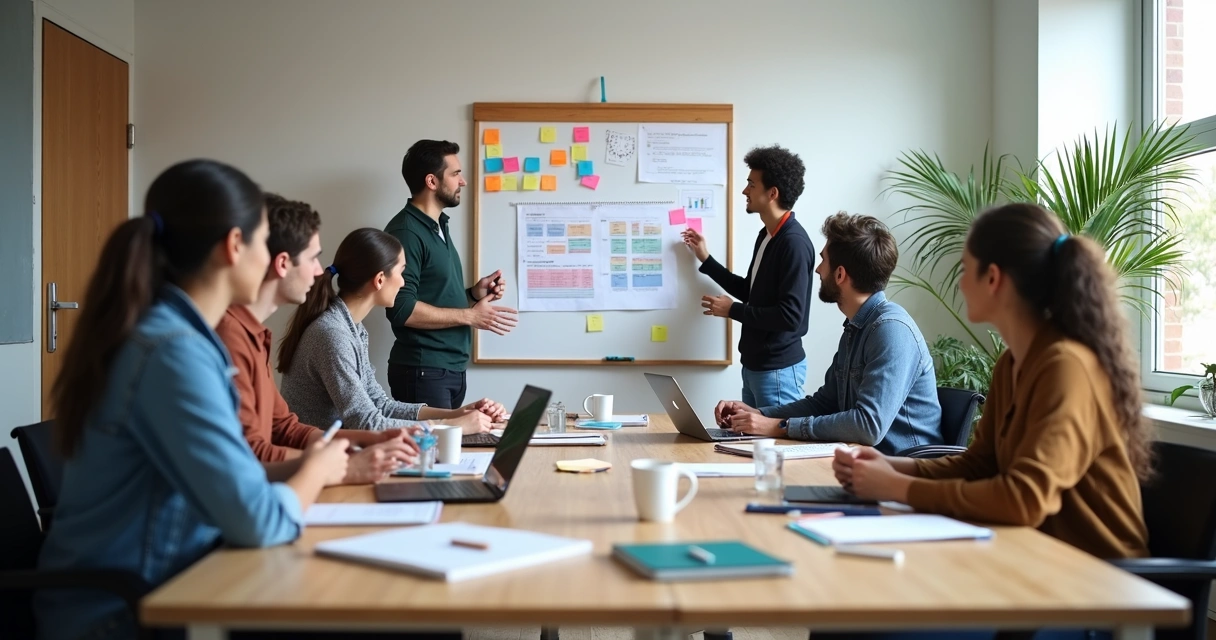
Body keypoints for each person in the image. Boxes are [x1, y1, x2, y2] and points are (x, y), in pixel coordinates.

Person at [36, 160, 349, 640]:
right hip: (128, 612)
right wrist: (317, 469)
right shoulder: (172, 353)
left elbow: (238, 479)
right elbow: (258, 521)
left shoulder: (176, 338)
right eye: (265, 243)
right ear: (234, 246)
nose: (273, 259)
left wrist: (320, 462)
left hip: (174, 581)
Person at [834, 203, 1150, 561]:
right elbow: (979, 465)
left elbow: (1025, 500)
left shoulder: (1066, 366)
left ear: (994, 278)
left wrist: (898, 487)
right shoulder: (1011, 362)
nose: (959, 282)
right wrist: (890, 465)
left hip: (1097, 578)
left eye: (966, 269)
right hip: (1035, 556)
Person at [215, 193, 417, 481]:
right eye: (313, 258)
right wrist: (346, 466)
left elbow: (285, 428)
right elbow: (250, 455)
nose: (320, 271)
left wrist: (373, 439)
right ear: (283, 263)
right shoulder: (230, 337)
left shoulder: (256, 334)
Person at [714, 212, 943, 454]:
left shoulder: (891, 330)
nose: (818, 270)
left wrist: (779, 426)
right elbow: (825, 402)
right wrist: (759, 414)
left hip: (904, 472)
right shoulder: (856, 327)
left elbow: (868, 426)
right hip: (864, 465)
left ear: (841, 274)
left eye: (823, 260)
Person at [279, 227, 505, 432]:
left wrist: (458, 414)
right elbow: (366, 422)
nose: (403, 283)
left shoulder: (353, 330)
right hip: (318, 462)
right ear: (379, 280)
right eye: (401, 272)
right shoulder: (333, 335)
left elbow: (380, 405)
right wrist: (449, 426)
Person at [384, 139, 518, 408]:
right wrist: (471, 315)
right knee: (434, 452)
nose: (463, 181)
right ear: (432, 182)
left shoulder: (438, 226)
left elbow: (434, 295)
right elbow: (400, 308)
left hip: (448, 371)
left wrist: (472, 294)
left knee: (450, 450)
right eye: (456, 174)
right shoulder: (407, 233)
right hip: (423, 371)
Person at [682, 144, 816, 408]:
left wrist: (733, 310)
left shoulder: (794, 244)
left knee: (776, 448)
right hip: (755, 368)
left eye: (751, 184)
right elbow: (751, 292)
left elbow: (791, 317)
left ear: (772, 193)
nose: (745, 191)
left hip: (777, 372)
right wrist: (706, 259)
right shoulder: (767, 235)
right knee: (753, 446)